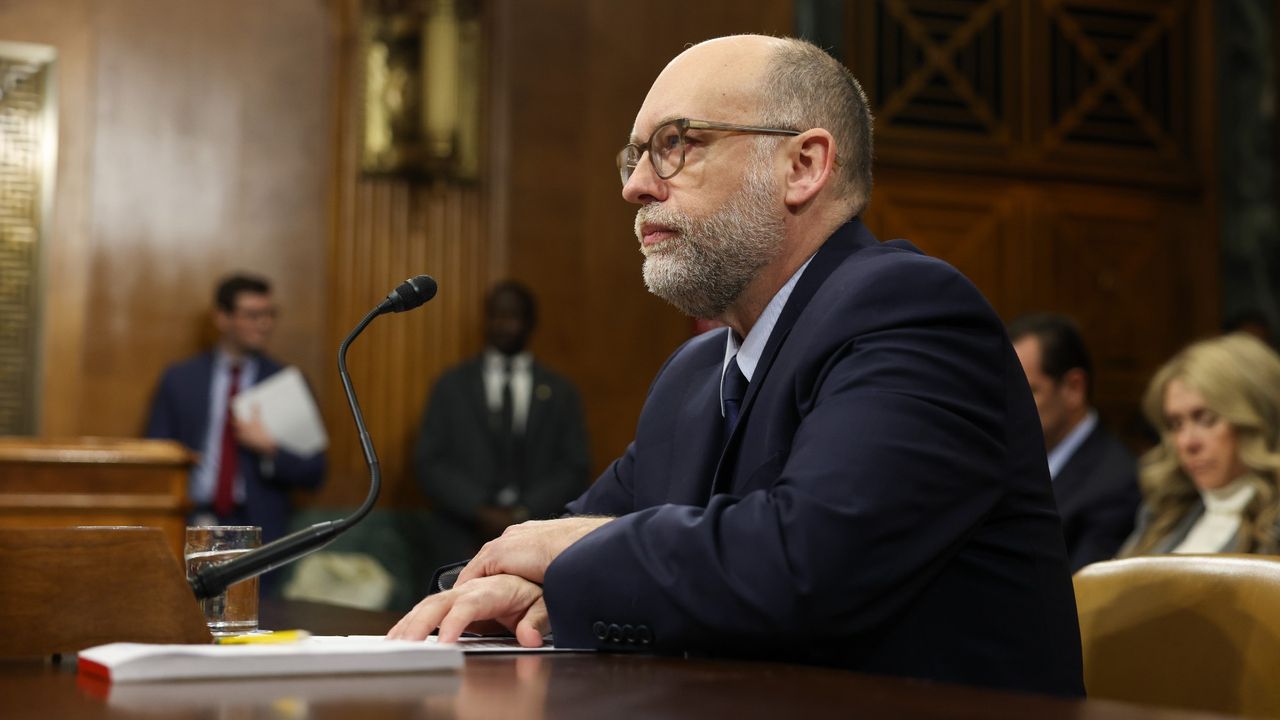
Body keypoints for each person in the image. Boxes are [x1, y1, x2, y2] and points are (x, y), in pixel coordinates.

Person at [389, 35, 1083, 697]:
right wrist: (509, 582)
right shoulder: (693, 375)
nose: (635, 188)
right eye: (632, 157)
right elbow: (559, 544)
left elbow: (802, 566)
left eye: (674, 145)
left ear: (804, 165)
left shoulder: (913, 314)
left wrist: (573, 557)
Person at [414, 280, 591, 566]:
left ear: (530, 322)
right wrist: (478, 509)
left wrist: (523, 513)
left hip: (538, 538)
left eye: (512, 316)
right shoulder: (451, 385)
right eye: (496, 315)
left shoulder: (560, 392)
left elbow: (574, 466)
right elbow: (430, 462)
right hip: (460, 537)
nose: (503, 325)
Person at [146, 273, 326, 544]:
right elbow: (155, 455)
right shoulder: (180, 379)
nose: (264, 324)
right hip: (191, 521)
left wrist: (270, 448)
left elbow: (316, 471)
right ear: (222, 318)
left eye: (270, 314)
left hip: (260, 529)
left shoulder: (286, 382)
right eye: (253, 315)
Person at [1119, 333, 1280, 556]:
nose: (1187, 443)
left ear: (1258, 419)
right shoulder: (1164, 513)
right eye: (1176, 424)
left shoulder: (1275, 522)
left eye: (1206, 419)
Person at [1009, 313, 1140, 571]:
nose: (1009, 406)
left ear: (1073, 388)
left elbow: (1084, 596)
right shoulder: (1009, 459)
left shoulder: (1115, 483)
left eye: (1026, 390)